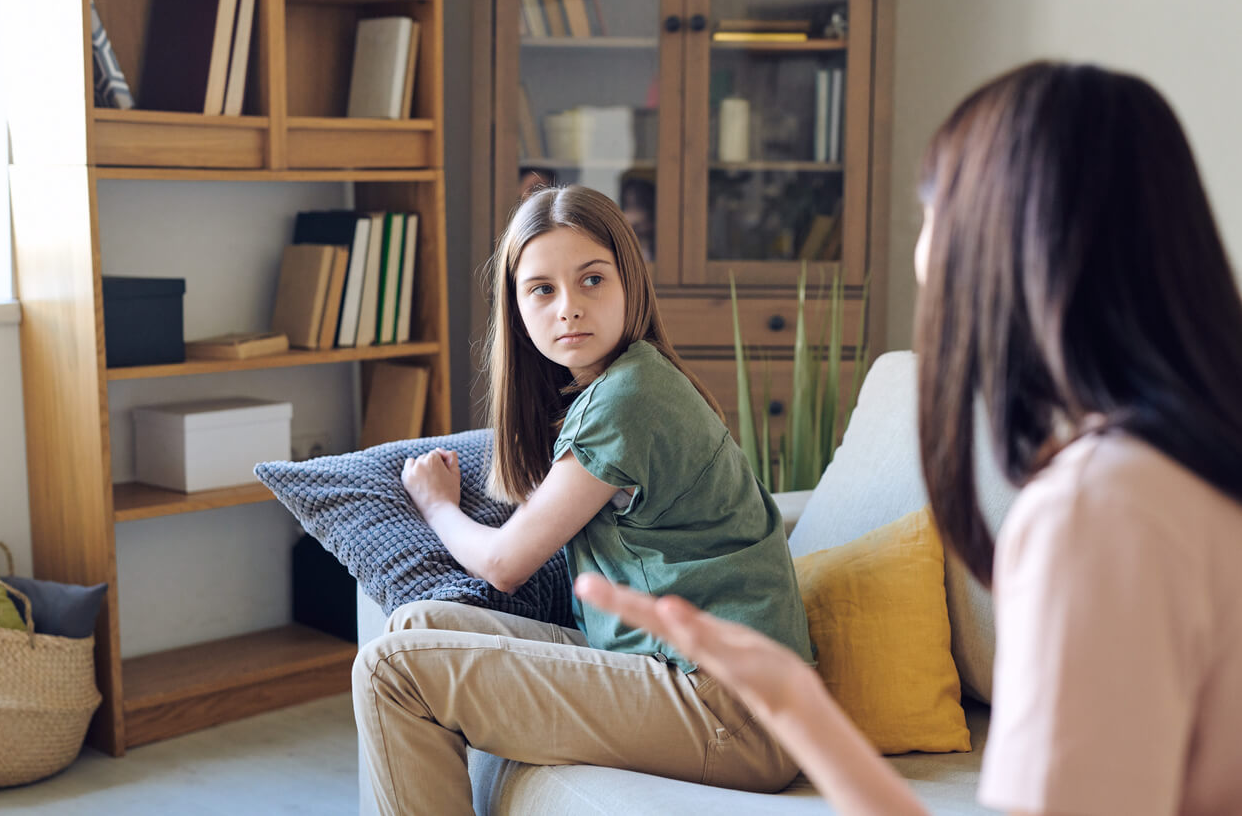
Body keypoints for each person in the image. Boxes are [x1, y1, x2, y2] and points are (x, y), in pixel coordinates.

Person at [576, 60, 1242, 815]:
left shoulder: (1097, 510)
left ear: (1005, 241)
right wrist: (794, 700)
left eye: (933, 215)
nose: (923, 256)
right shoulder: (1193, 470)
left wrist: (797, 705)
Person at [352, 184, 815, 815]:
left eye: (591, 280)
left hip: (731, 710)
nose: (568, 307)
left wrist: (436, 504)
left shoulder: (628, 400)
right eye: (541, 289)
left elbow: (505, 564)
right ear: (516, 310)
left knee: (393, 671)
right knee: (415, 626)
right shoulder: (621, 384)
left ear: (630, 284)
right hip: (696, 680)